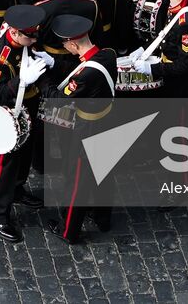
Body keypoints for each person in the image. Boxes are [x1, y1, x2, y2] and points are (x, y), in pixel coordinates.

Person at [45, 14, 116, 244]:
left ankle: (69, 231)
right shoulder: (108, 55)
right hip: (108, 122)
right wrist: (55, 63)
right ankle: (103, 217)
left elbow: (58, 99)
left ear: (73, 44)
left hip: (89, 129)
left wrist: (43, 81)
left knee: (77, 180)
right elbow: (81, 66)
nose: (66, 48)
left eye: (66, 44)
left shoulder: (85, 76)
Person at [0, 4, 50, 243]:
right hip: (9, 114)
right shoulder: (0, 59)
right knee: (6, 164)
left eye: (35, 35)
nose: (33, 40)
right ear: (15, 32)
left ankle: (18, 189)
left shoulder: (26, 42)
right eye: (29, 36)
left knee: (25, 156)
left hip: (28, 108)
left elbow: (32, 58)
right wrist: (20, 80)